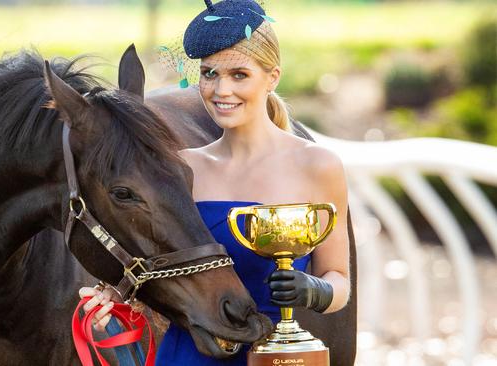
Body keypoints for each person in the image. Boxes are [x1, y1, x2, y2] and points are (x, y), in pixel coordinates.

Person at [79, 0, 351, 364]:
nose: (221, 91)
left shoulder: (317, 166)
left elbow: (339, 281)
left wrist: (313, 290)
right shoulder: (183, 168)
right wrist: (119, 296)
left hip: (277, 355)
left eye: (239, 75)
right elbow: (161, 263)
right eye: (209, 74)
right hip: (188, 354)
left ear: (273, 77)